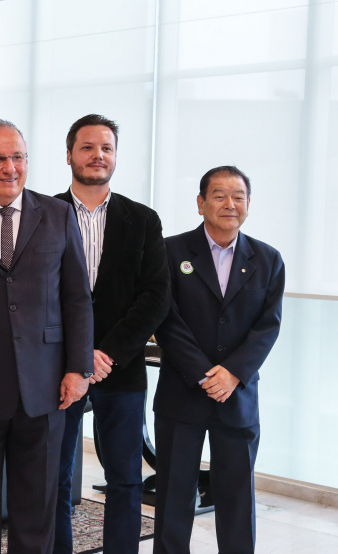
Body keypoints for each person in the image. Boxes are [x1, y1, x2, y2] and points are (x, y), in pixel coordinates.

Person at [0, 119, 93, 554]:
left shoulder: (59, 215)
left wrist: (78, 367)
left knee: (38, 511)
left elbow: (77, 298)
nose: (10, 168)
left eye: (18, 157)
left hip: (46, 390)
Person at [53, 114, 171, 554]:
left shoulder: (142, 219)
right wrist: (78, 356)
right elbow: (33, 299)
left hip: (119, 371)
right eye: (87, 147)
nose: (97, 155)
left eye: (106, 148)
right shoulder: (42, 213)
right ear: (69, 155)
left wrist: (106, 354)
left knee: (124, 478)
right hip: (57, 370)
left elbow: (156, 296)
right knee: (57, 476)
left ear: (115, 156)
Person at [153, 166, 284, 554]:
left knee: (237, 499)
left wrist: (232, 374)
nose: (230, 204)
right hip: (182, 394)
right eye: (219, 195)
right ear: (200, 203)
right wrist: (203, 373)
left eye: (238, 196)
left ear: (247, 205)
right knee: (174, 497)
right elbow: (165, 319)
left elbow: (268, 326)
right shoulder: (170, 251)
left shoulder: (267, 258)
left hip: (238, 398)